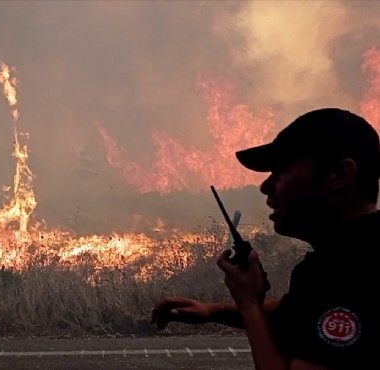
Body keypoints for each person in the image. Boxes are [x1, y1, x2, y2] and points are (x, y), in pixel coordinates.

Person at [151, 107, 379, 370]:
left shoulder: (350, 269)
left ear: (339, 175)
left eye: (281, 171)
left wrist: (249, 303)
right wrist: (212, 311)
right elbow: (300, 312)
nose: (265, 186)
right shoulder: (348, 257)